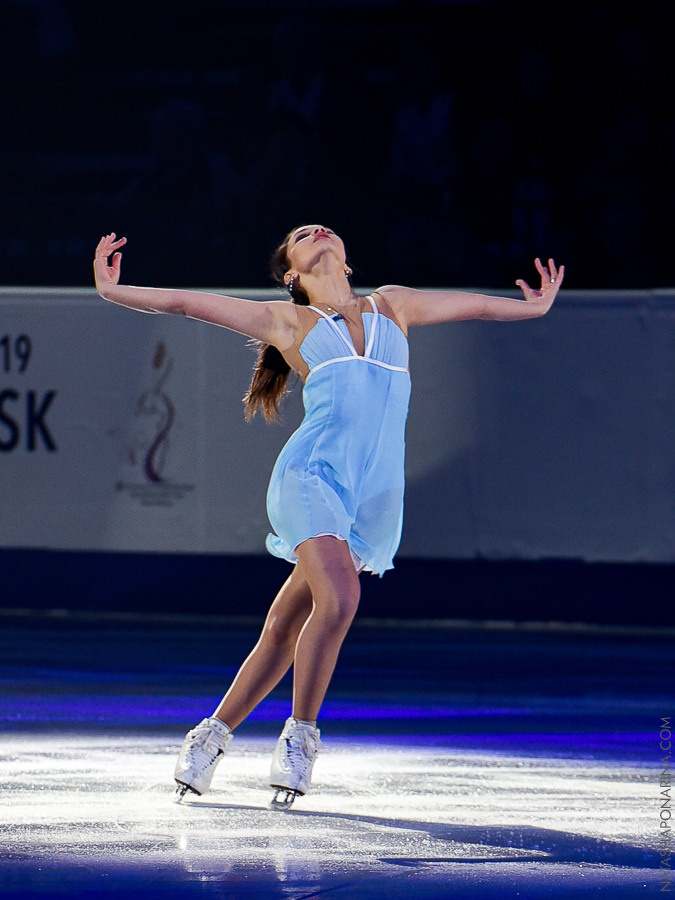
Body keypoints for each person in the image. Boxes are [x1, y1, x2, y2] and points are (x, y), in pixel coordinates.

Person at [93, 226, 564, 808]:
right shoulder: (290, 323)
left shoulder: (394, 305)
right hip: (311, 478)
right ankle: (301, 738)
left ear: (346, 254)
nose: (315, 231)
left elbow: (477, 306)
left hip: (371, 494)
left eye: (323, 228)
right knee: (339, 601)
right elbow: (188, 303)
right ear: (291, 273)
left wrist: (534, 306)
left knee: (285, 628)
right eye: (299, 235)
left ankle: (210, 737)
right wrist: (115, 291)